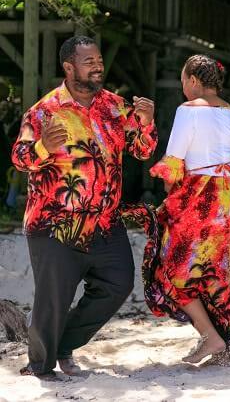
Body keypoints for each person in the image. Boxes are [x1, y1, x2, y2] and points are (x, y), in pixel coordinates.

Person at [12, 35, 158, 379]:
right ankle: (41, 366)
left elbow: (141, 151)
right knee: (53, 301)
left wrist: (147, 123)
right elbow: (20, 158)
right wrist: (44, 147)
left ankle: (64, 344)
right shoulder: (44, 111)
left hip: (105, 223)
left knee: (118, 284)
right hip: (54, 225)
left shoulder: (115, 106)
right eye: (89, 61)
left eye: (99, 61)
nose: (97, 66)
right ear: (68, 66)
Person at [145, 54, 230, 366]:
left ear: (192, 81)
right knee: (225, 275)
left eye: (182, 80)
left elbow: (173, 162)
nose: (182, 87)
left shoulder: (187, 111)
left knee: (173, 269)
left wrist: (171, 196)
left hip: (205, 200)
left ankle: (211, 336)